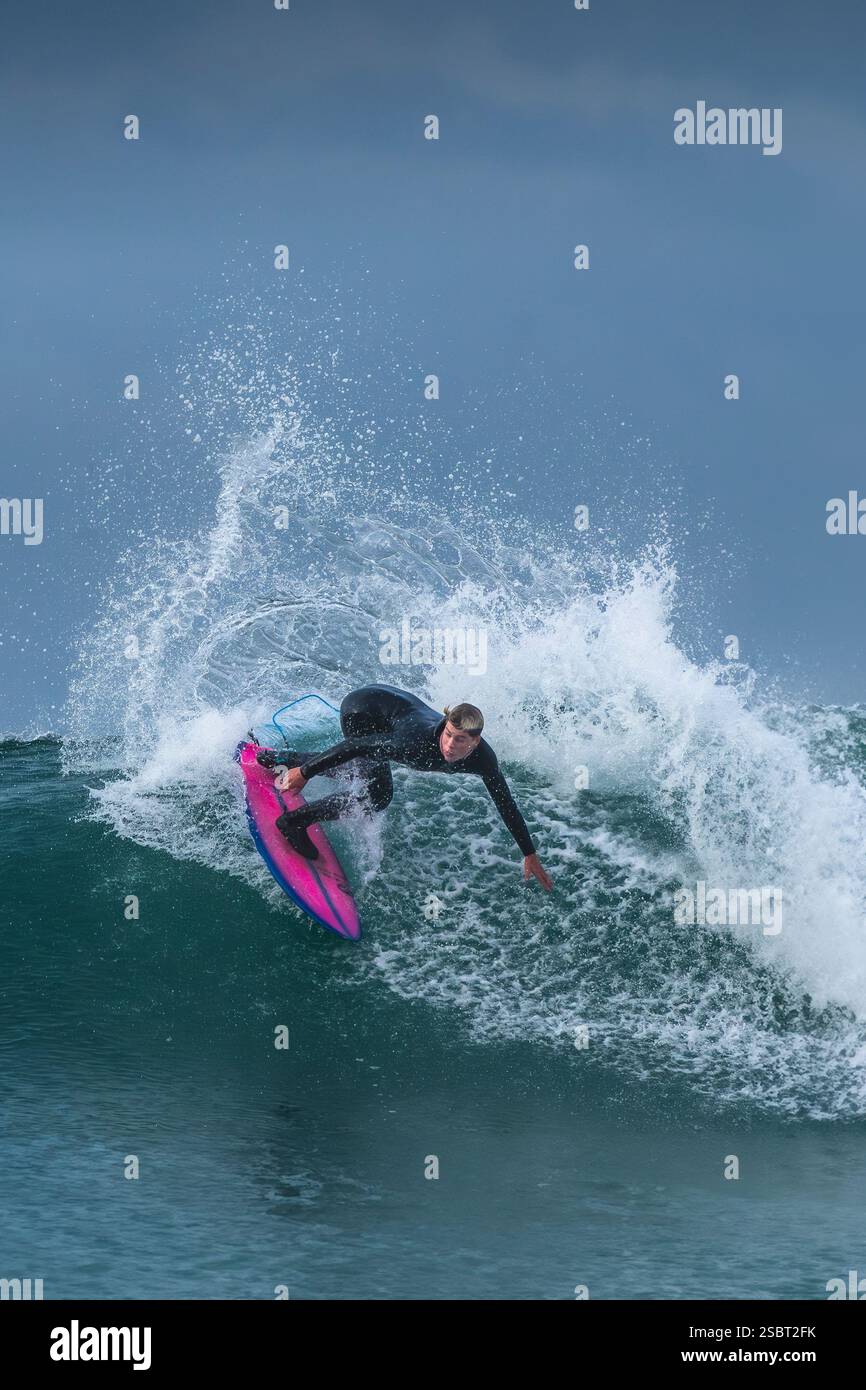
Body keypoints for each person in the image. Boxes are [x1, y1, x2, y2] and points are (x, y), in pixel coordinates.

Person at [256, 683, 553, 890]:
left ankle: (278, 759)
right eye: (448, 734)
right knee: (377, 793)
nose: (450, 745)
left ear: (475, 742)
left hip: (392, 710)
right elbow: (358, 745)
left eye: (460, 740)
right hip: (364, 710)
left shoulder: (484, 760)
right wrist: (305, 774)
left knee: (359, 770)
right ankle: (293, 822)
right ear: (445, 725)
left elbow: (505, 802)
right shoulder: (416, 745)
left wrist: (529, 852)